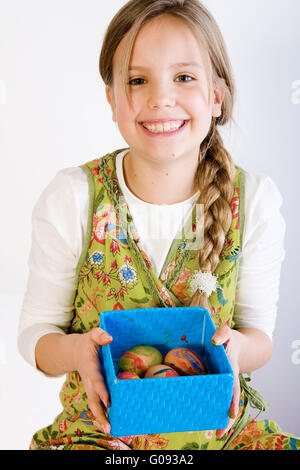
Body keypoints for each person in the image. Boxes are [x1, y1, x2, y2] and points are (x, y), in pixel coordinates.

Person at [18, 0, 300, 451]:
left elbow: (260, 336)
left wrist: (238, 351)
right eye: (136, 80)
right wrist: (77, 352)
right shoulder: (73, 197)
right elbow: (36, 336)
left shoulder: (255, 201)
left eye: (184, 77)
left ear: (216, 96)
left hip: (221, 436)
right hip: (102, 434)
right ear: (111, 98)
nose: (160, 98)